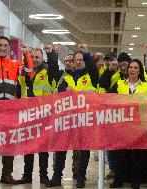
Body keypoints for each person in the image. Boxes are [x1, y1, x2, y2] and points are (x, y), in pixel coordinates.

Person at [0, 36, 30, 185]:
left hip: (9, 112)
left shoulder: (14, 64)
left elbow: (28, 70)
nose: (2, 48)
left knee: (9, 144)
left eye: (5, 45)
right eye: (0, 45)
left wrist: (26, 54)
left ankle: (6, 175)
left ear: (9, 48)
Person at [46, 51, 98, 188]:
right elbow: (58, 92)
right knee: (61, 148)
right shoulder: (67, 77)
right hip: (67, 119)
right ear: (73, 62)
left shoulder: (91, 76)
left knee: (83, 150)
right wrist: (64, 88)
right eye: (76, 60)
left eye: (81, 59)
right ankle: (57, 177)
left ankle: (80, 177)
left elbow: (93, 89)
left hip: (84, 119)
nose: (79, 62)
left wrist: (86, 52)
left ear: (85, 61)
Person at [108, 59, 147, 189]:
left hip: (140, 126)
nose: (132, 70)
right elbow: (107, 98)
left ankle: (136, 180)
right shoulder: (119, 84)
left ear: (140, 71)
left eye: (135, 68)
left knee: (138, 155)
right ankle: (119, 179)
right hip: (122, 125)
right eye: (130, 67)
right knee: (120, 154)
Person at [18, 45, 59, 185]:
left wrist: (51, 53)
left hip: (43, 116)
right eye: (32, 57)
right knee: (28, 147)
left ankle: (43, 176)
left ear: (42, 59)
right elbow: (19, 90)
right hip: (27, 115)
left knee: (43, 149)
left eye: (37, 57)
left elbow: (54, 65)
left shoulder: (49, 72)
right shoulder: (23, 72)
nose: (34, 60)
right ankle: (27, 175)